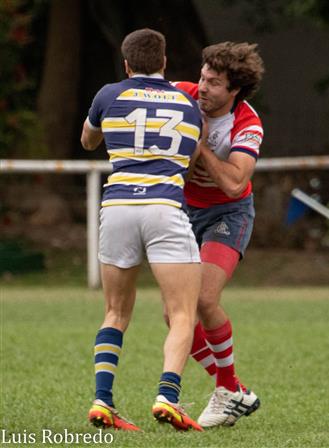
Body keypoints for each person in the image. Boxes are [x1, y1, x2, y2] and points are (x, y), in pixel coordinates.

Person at [80, 28, 204, 432]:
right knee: (183, 312)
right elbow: (191, 156)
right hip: (164, 207)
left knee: (115, 312)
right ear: (165, 63)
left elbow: (87, 141)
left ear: (127, 64)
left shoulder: (107, 95)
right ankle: (167, 396)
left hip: (117, 207)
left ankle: (102, 400)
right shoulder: (188, 104)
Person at [173, 41, 264, 428]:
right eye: (202, 77)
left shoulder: (247, 124)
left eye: (213, 83)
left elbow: (233, 182)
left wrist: (201, 150)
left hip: (228, 212)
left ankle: (228, 391)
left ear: (234, 90)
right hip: (183, 211)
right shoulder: (181, 95)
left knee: (205, 299)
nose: (203, 87)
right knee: (173, 315)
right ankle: (232, 389)